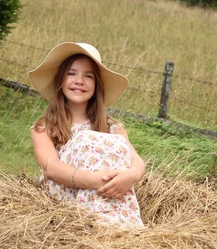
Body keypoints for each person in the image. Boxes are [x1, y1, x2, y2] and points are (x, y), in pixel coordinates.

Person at [29, 42, 145, 228]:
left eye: (88, 76)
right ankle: (93, 222)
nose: (79, 81)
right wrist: (95, 180)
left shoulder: (111, 126)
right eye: (71, 73)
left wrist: (130, 176)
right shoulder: (45, 127)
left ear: (96, 86)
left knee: (115, 143)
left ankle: (120, 227)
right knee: (87, 139)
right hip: (65, 195)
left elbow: (136, 160)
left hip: (108, 191)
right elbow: (51, 167)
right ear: (60, 81)